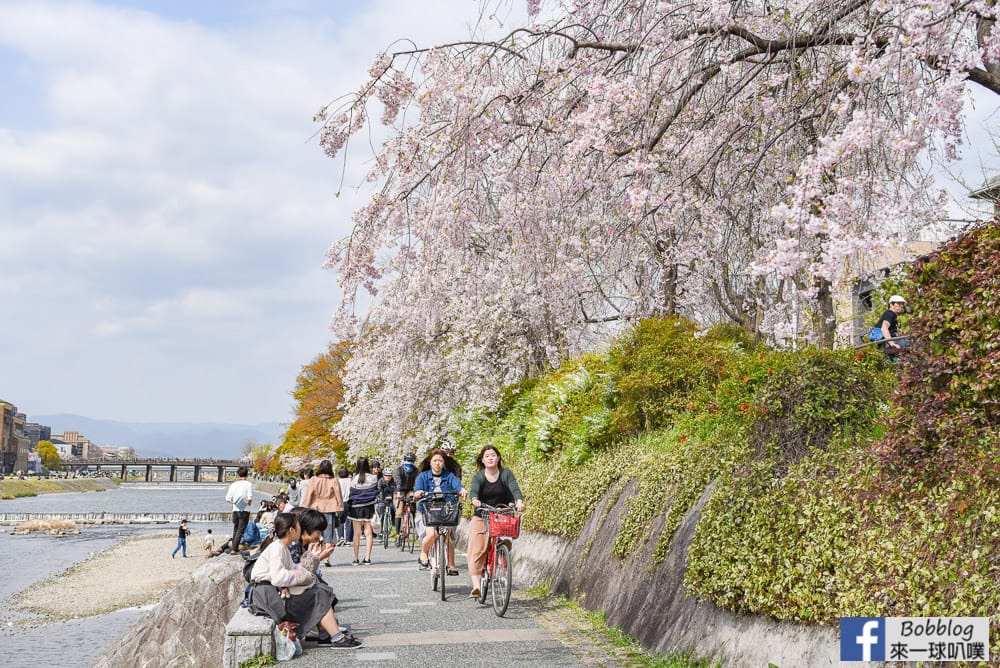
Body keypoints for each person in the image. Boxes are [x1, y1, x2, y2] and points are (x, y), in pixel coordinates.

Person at [247, 513, 361, 649]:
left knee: (319, 591)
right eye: (298, 527)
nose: (300, 529)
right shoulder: (277, 548)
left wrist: (310, 565)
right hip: (267, 598)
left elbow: (293, 569)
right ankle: (336, 638)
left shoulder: (281, 547)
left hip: (270, 594)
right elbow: (279, 577)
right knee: (319, 594)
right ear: (291, 530)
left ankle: (326, 636)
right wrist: (305, 575)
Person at [467, 445, 525, 598]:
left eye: (493, 455)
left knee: (504, 536)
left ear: (498, 458)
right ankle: (476, 585)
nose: (490, 458)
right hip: (482, 514)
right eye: (487, 456)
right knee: (478, 549)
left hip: (502, 513)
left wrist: (519, 501)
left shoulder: (506, 474)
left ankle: (501, 552)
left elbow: (515, 489)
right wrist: (474, 499)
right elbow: (474, 490)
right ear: (482, 460)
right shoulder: (479, 476)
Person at [412, 449, 467, 571]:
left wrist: (461, 490)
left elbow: (457, 485)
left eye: (440, 461)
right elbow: (418, 488)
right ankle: (424, 553)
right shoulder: (423, 476)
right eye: (435, 461)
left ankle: (451, 565)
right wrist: (418, 493)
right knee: (432, 534)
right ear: (430, 462)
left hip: (445, 510)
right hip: (428, 510)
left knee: (448, 537)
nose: (437, 463)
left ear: (444, 463)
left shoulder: (449, 476)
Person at [301, 459, 344, 567]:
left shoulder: (314, 479)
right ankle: (327, 558)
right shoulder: (333, 480)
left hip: (316, 508)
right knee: (328, 536)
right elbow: (338, 494)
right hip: (329, 509)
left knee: (314, 534)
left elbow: (309, 494)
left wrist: (305, 507)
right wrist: (340, 506)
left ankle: (310, 556)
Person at [348, 457, 380, 565]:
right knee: (368, 533)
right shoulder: (373, 478)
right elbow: (376, 491)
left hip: (356, 508)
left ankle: (355, 559)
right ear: (367, 465)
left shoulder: (354, 479)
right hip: (369, 507)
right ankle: (367, 558)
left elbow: (351, 494)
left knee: (356, 534)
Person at [225, 467, 253, 555]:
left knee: (235, 529)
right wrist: (246, 504)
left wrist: (235, 503)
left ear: (237, 475)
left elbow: (228, 499)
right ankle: (234, 550)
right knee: (240, 530)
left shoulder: (233, 485)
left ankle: (233, 547)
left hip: (235, 511)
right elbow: (250, 498)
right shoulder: (248, 484)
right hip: (244, 511)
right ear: (247, 475)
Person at [392, 453, 419, 535]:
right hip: (399, 490)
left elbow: (418, 481)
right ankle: (397, 533)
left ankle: (411, 521)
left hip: (410, 490)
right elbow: (398, 481)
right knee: (399, 511)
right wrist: (399, 493)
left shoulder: (415, 470)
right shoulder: (399, 470)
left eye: (412, 461)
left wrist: (418, 492)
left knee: (413, 503)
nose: (410, 462)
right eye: (408, 460)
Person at [878, 295, 909, 360]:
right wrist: (892, 344)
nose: (901, 306)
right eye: (898, 303)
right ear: (891, 304)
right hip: (889, 345)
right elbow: (884, 328)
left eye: (902, 304)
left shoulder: (893, 316)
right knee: (911, 343)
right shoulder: (890, 313)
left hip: (887, 346)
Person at [376, 468, 396, 539]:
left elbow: (396, 491)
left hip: (391, 497)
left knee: (394, 508)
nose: (388, 477)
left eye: (389, 475)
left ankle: (394, 521)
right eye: (386, 475)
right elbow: (379, 491)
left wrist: (394, 498)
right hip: (382, 498)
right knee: (382, 513)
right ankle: (381, 531)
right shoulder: (380, 481)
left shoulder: (394, 481)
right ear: (383, 475)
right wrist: (381, 499)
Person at [337, 467, 353, 545]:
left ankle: (341, 537)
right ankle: (348, 539)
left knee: (340, 520)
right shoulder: (351, 481)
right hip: (350, 502)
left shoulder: (337, 481)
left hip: (340, 502)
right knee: (349, 520)